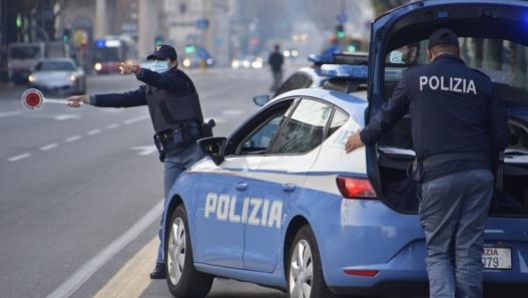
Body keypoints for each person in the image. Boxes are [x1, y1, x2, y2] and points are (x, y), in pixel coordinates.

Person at [344, 28, 509, 298]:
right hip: (479, 176)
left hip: (439, 175)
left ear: (431, 54)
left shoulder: (414, 78)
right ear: (458, 53)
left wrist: (362, 136)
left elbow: (387, 118)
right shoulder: (482, 82)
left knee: (439, 252)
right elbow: (500, 135)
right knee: (468, 250)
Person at [67, 44, 212, 280]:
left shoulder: (179, 80)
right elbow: (120, 99)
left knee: (198, 207)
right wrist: (86, 98)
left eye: (161, 60)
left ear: (173, 63)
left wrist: (138, 70)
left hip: (194, 151)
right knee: (170, 208)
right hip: (173, 156)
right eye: (153, 60)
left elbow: (163, 81)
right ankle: (163, 261)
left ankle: (208, 259)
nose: (156, 63)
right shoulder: (151, 89)